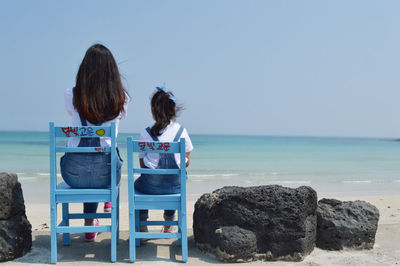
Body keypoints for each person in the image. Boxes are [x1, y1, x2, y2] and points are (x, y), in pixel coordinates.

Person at [60, 44, 129, 241]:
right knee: (108, 154)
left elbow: (71, 113)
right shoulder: (122, 99)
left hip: (73, 175)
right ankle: (103, 208)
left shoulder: (71, 95)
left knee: (86, 159)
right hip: (106, 175)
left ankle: (89, 224)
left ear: (84, 70)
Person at [135, 84, 193, 233]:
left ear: (153, 111)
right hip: (175, 187)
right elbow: (187, 161)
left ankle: (142, 225)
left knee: (137, 184)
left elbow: (142, 164)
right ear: (173, 110)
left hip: (150, 187)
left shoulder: (146, 133)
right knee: (172, 178)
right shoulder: (182, 131)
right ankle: (168, 224)